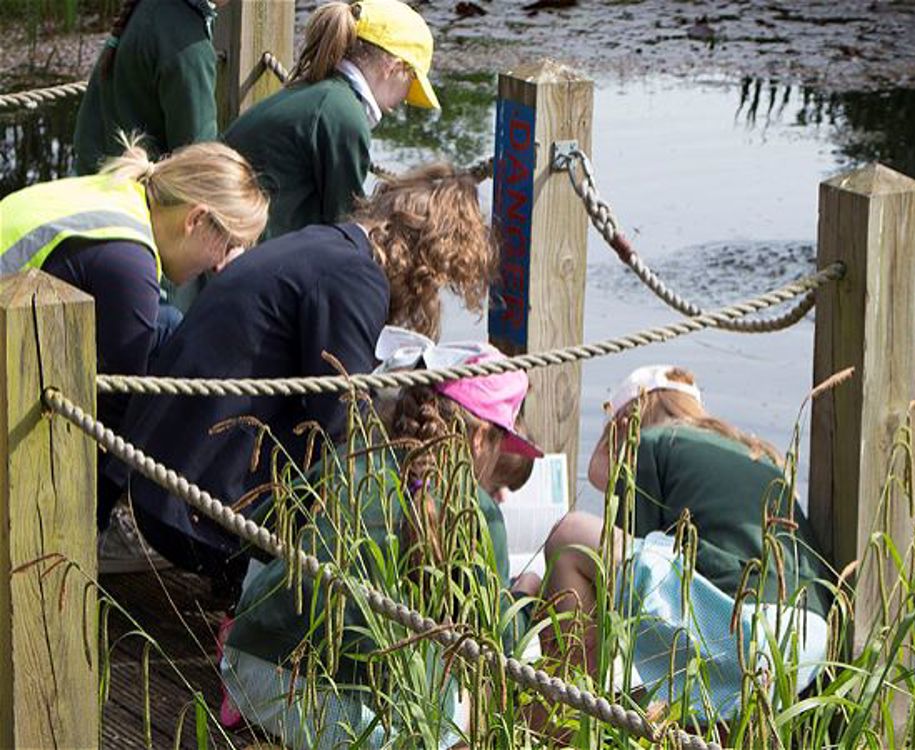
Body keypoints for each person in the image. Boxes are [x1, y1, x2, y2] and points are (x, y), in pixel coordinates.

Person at [108, 163, 494, 590]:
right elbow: (341, 426)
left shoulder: (322, 245)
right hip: (192, 516)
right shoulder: (357, 278)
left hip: (160, 486)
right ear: (426, 262)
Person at [219, 337, 542, 748]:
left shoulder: (350, 459)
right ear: (480, 439)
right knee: (484, 696)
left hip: (252, 675)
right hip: (361, 721)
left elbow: (260, 535)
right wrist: (526, 592)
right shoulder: (476, 510)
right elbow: (500, 643)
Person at [0, 136, 268, 538]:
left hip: (21, 323)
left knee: (169, 330)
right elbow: (118, 409)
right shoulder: (129, 263)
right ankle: (80, 535)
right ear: (195, 219)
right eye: (228, 244)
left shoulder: (124, 194)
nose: (220, 265)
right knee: (139, 402)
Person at [542, 365, 831, 724]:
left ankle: (566, 721)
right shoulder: (755, 452)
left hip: (737, 625)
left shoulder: (650, 443)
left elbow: (618, 601)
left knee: (570, 539)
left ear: (624, 426)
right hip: (804, 640)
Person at [224, 0, 440, 240]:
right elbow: (345, 233)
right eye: (411, 86)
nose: (404, 100)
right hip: (236, 258)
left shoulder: (318, 91)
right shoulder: (343, 116)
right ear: (394, 69)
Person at [73, 0, 225, 176]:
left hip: (94, 180)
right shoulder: (187, 46)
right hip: (126, 192)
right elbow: (198, 168)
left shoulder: (155, 9)